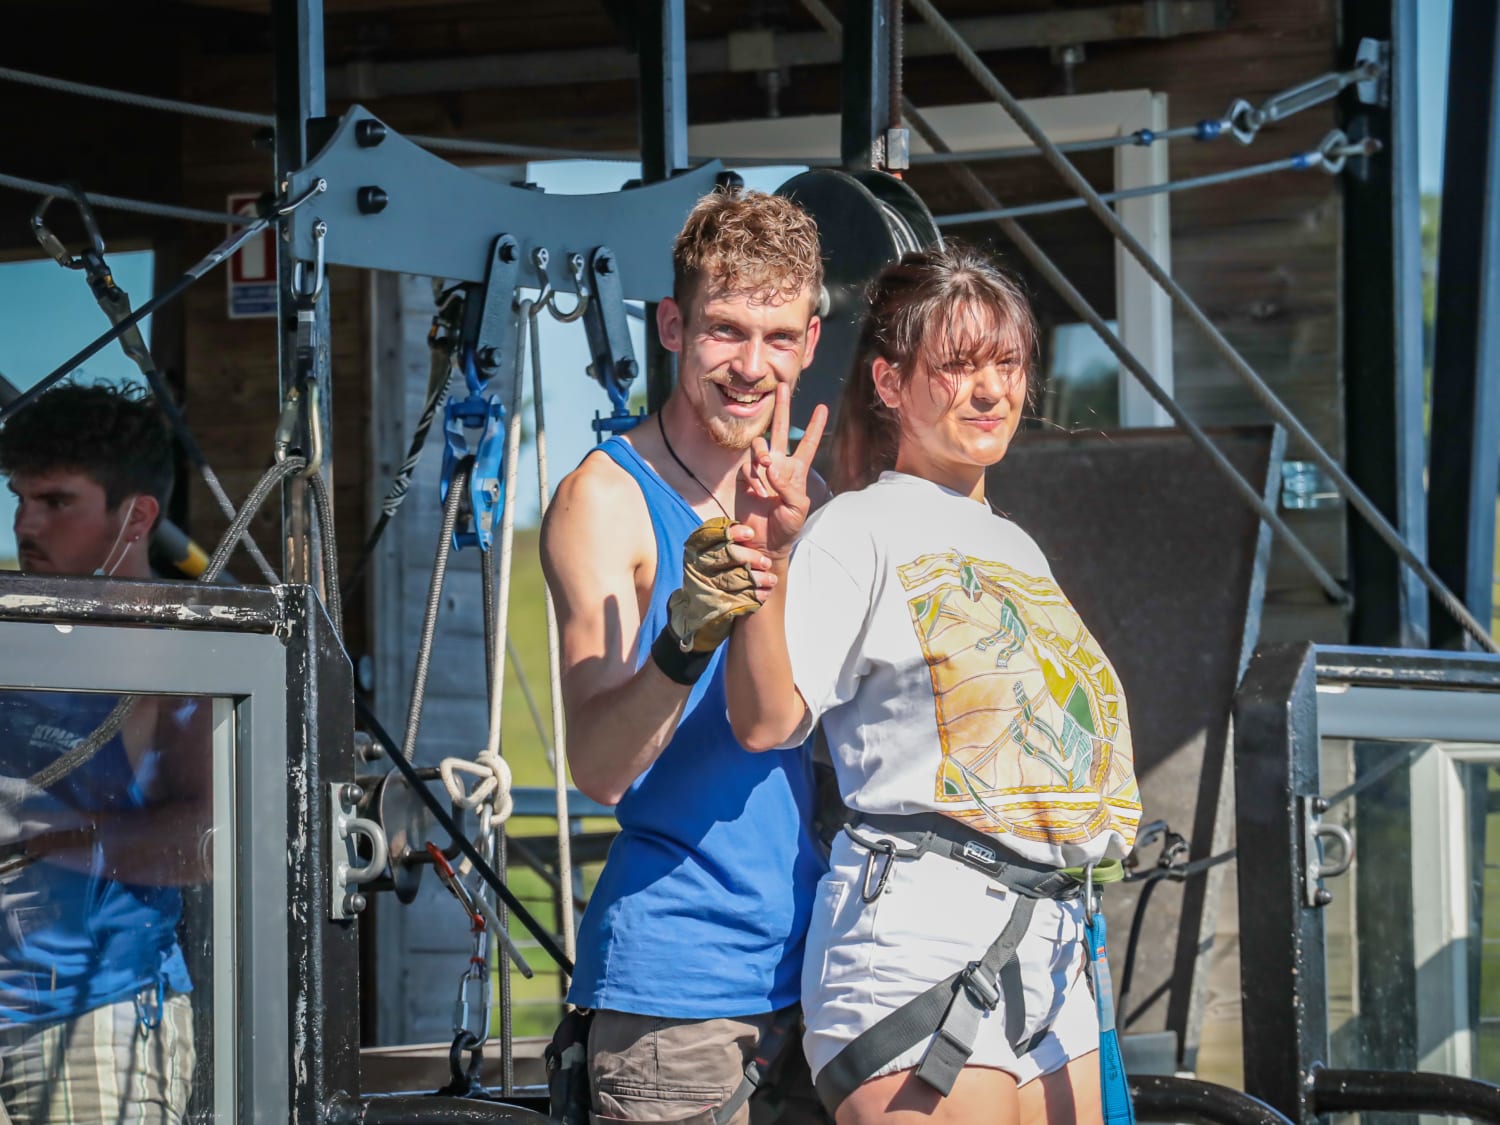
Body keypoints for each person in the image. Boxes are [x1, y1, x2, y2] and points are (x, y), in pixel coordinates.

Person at [720, 246, 1142, 1124]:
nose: (989, 390)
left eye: (1008, 363)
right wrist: (767, 566)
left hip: (1054, 953)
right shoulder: (857, 526)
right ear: (890, 380)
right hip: (917, 936)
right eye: (956, 365)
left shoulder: (1018, 546)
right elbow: (767, 719)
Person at [539, 188, 830, 1124]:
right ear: (671, 325)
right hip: (677, 994)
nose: (752, 367)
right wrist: (687, 630)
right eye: (724, 330)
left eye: (779, 337)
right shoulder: (606, 498)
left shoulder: (810, 494)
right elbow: (598, 765)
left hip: (820, 975)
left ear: (812, 344)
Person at [0, 382, 210, 1124]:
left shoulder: (182, 646)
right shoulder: (14, 626)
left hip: (93, 1013)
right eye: (18, 497)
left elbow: (208, 840)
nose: (25, 522)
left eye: (56, 502)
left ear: (135, 517)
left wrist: (47, 840)